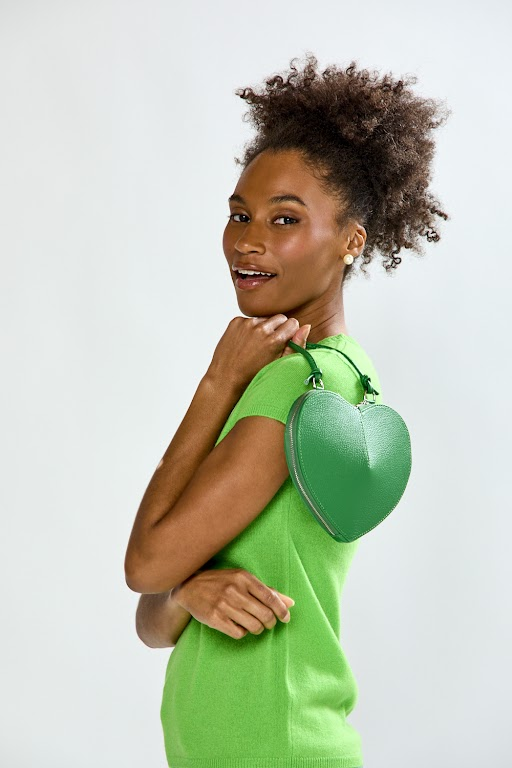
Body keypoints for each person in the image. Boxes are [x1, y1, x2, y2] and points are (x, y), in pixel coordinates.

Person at [125, 53, 450, 767]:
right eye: (241, 214)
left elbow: (145, 562)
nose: (248, 240)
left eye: (284, 219)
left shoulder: (295, 386)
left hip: (274, 746)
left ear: (351, 241)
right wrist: (191, 592)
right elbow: (156, 616)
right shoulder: (341, 373)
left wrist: (217, 384)